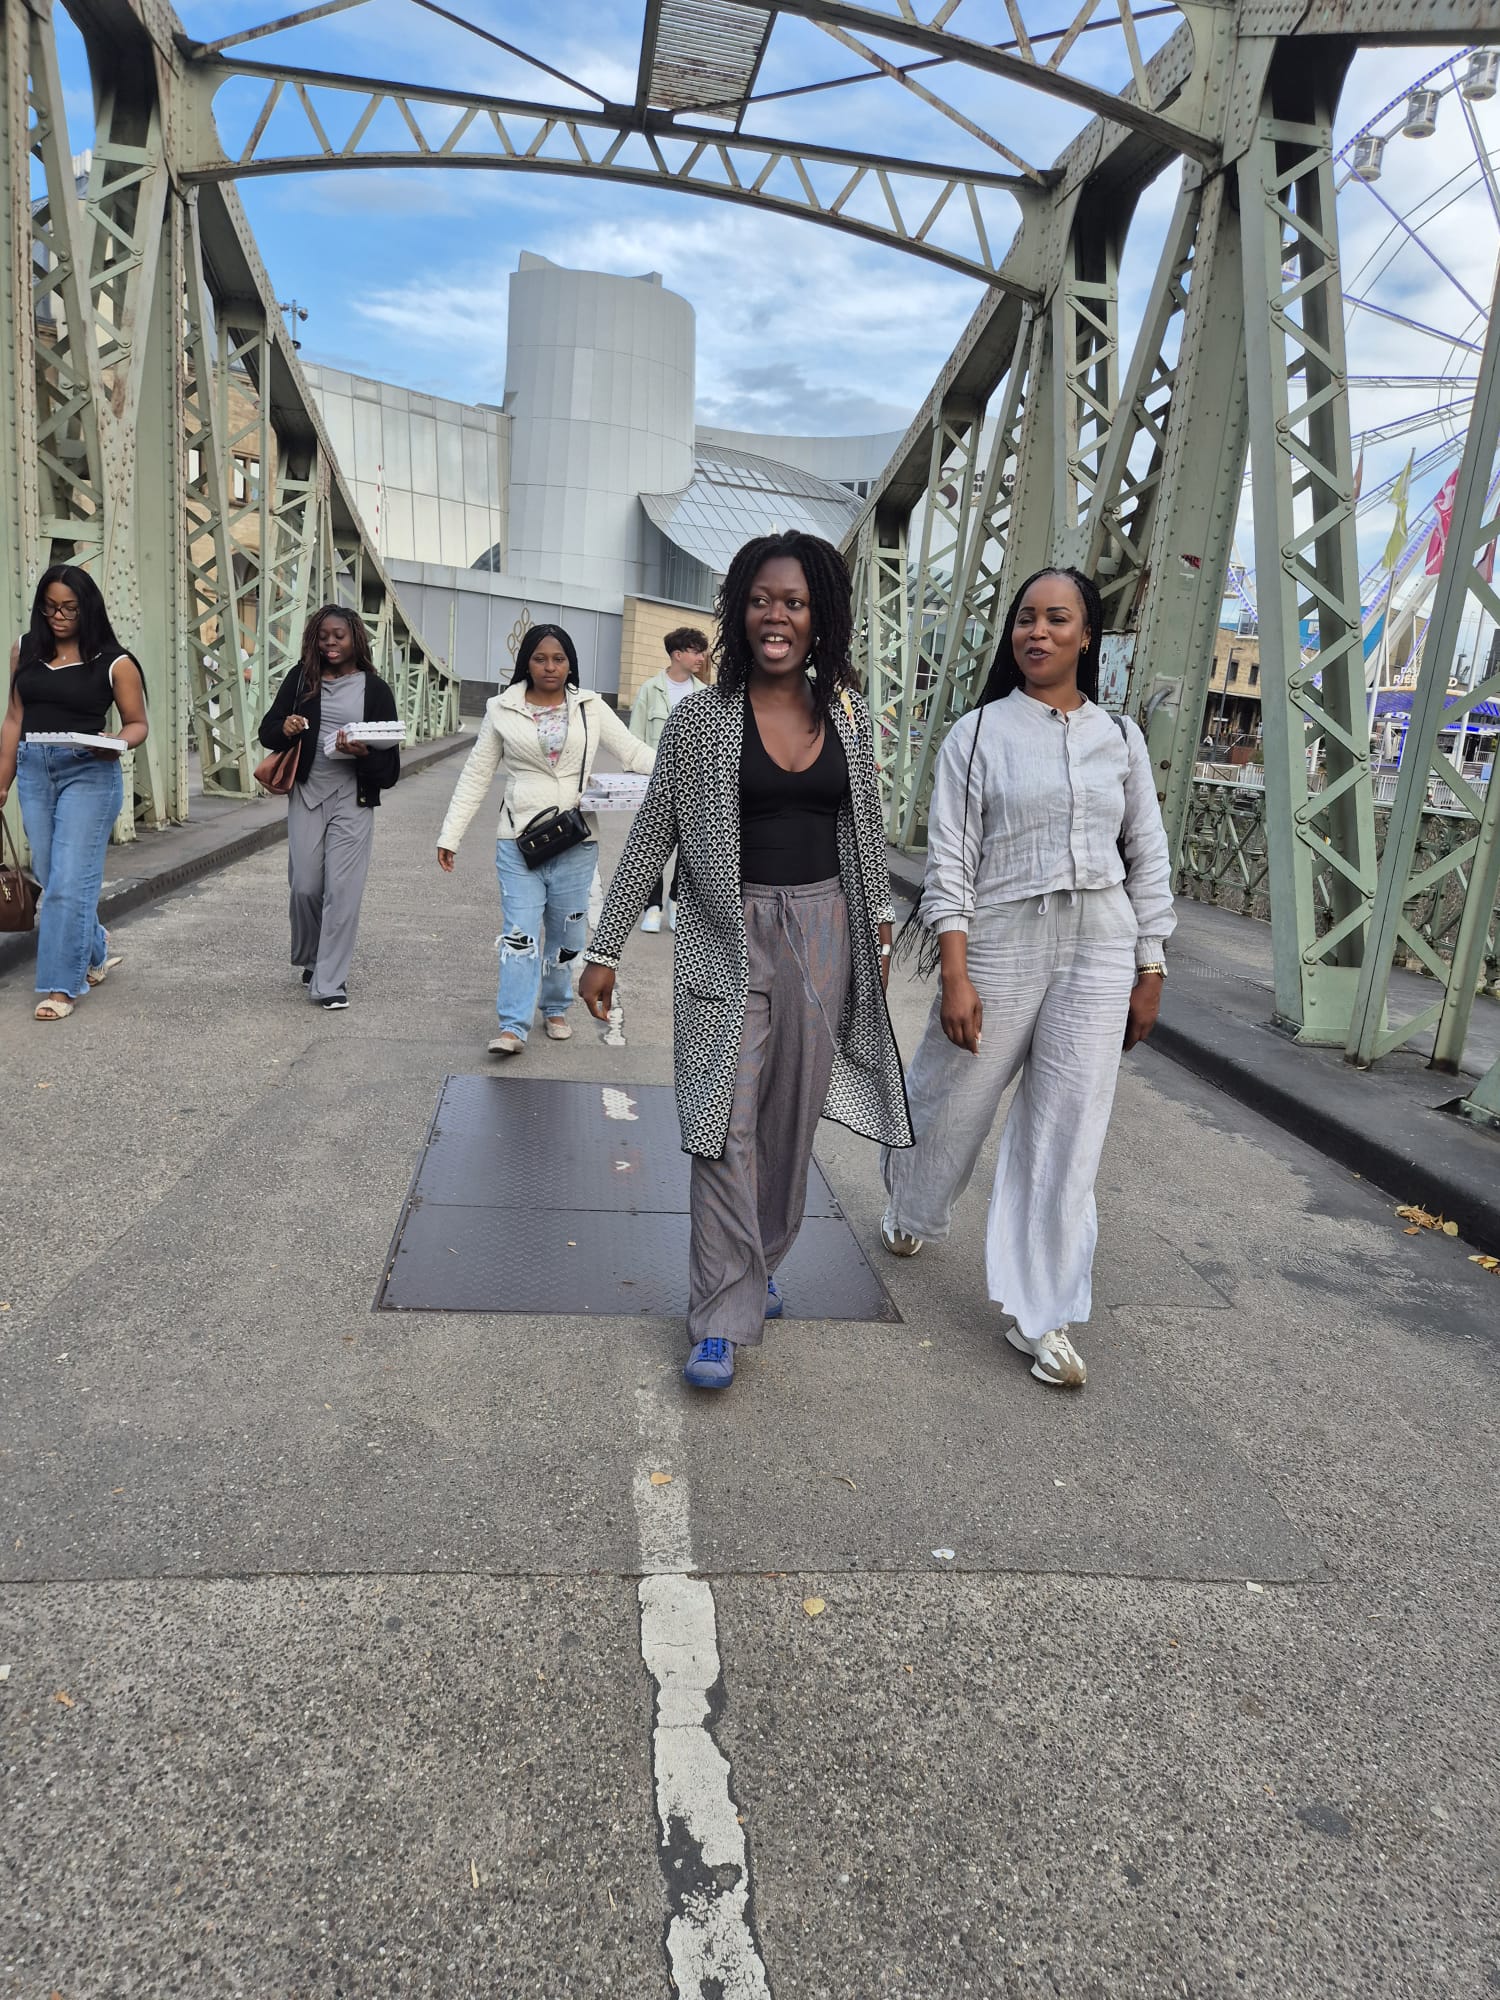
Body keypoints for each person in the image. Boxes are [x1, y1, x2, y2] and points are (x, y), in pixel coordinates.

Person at [580, 531, 912, 1392]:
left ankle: (757, 1261)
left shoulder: (845, 715)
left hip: (825, 932)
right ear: (739, 610)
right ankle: (719, 1316)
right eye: (761, 599)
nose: (777, 616)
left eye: (794, 602)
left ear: (819, 616)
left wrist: (876, 925)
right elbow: (652, 834)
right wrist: (605, 948)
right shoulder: (700, 720)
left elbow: (866, 829)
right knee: (721, 1123)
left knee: (789, 1124)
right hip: (727, 937)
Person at [881, 566, 1175, 1391]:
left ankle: (1042, 1313)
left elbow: (1148, 852)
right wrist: (954, 971)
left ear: (1087, 636)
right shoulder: (977, 734)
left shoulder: (1120, 738)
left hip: (1101, 942)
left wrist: (1150, 963)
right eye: (1025, 619)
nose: (1037, 632)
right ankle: (911, 1202)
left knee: (1068, 1129)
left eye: (1057, 619)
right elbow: (951, 862)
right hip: (1004, 936)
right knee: (953, 1096)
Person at [436, 624, 655, 1055]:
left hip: (576, 840)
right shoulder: (502, 708)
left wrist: (690, 764)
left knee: (567, 935)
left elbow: (633, 752)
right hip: (519, 840)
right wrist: (451, 834)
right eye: (540, 658)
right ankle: (512, 1026)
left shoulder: (590, 706)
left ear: (570, 663)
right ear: (527, 663)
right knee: (519, 934)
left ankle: (555, 1007)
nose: (550, 667)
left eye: (558, 659)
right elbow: (477, 774)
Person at [0, 566, 149, 1022]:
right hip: (34, 770)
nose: (59, 616)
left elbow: (137, 724)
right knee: (51, 874)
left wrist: (115, 742)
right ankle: (96, 948)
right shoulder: (25, 649)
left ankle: (61, 987)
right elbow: (14, 717)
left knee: (67, 886)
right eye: (50, 607)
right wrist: (2, 781)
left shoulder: (115, 663)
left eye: (69, 608)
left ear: (88, 609)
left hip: (89, 772)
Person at [258, 604, 401, 1010]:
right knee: (305, 886)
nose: (330, 643)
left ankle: (330, 981)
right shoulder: (301, 679)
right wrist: (286, 728)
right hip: (307, 793)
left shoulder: (376, 690)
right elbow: (268, 731)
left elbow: (389, 769)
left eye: (339, 635)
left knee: (342, 891)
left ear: (356, 637)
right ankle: (311, 958)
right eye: (323, 636)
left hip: (353, 798)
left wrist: (362, 754)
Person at [628, 625, 712, 931]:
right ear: (677, 654)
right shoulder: (650, 690)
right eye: (695, 651)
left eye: (702, 651)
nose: (701, 657)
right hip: (656, 783)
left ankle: (676, 902)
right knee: (652, 847)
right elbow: (634, 740)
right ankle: (652, 908)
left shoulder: (704, 694)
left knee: (688, 848)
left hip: (694, 784)